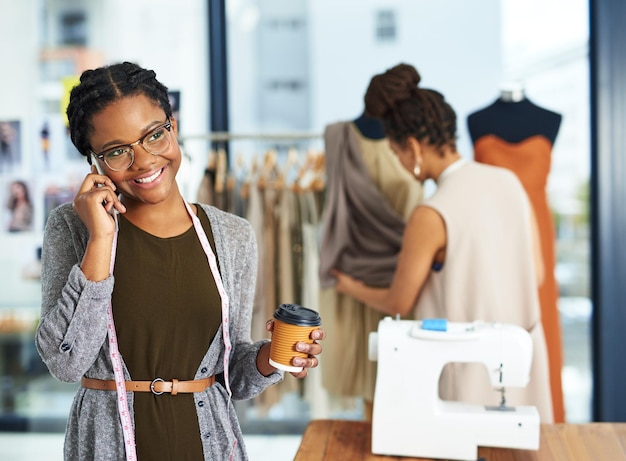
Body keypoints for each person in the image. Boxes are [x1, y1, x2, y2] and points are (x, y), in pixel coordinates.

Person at [34, 61, 325, 460]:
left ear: (172, 126)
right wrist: (101, 238)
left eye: (154, 135)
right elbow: (65, 363)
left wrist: (272, 355)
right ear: (93, 161)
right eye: (117, 151)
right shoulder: (72, 228)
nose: (144, 161)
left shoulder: (232, 235)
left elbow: (232, 377)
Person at [332, 63, 554, 422]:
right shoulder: (509, 183)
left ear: (414, 148)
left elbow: (398, 301)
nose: (400, 163)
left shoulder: (431, 213)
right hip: (524, 364)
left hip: (467, 374)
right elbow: (537, 275)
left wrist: (349, 285)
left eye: (396, 152)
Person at [318, 76, 422, 420]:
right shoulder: (339, 138)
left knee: (402, 390)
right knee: (372, 399)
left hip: (401, 284)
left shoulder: (409, 146)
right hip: (351, 283)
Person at [467, 90, 565, 422]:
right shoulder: (476, 120)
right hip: (491, 228)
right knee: (490, 315)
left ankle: (542, 417)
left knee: (539, 321)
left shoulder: (551, 119)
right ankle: (487, 413)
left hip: (536, 231)